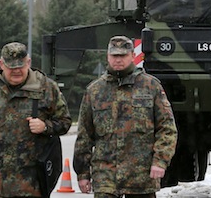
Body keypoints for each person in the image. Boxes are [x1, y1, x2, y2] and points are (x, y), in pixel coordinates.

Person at [0, 42, 72, 197]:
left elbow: (65, 122)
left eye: (21, 66)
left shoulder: (47, 88)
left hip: (31, 183)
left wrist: (45, 127)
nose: (17, 71)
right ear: (1, 64)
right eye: (11, 67)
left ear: (29, 62)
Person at [74, 35, 177, 198]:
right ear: (108, 57)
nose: (118, 60)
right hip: (106, 177)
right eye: (115, 55)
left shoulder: (151, 86)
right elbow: (84, 136)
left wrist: (160, 160)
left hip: (141, 177)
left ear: (132, 56)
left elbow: (167, 129)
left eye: (123, 55)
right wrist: (82, 173)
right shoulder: (94, 91)